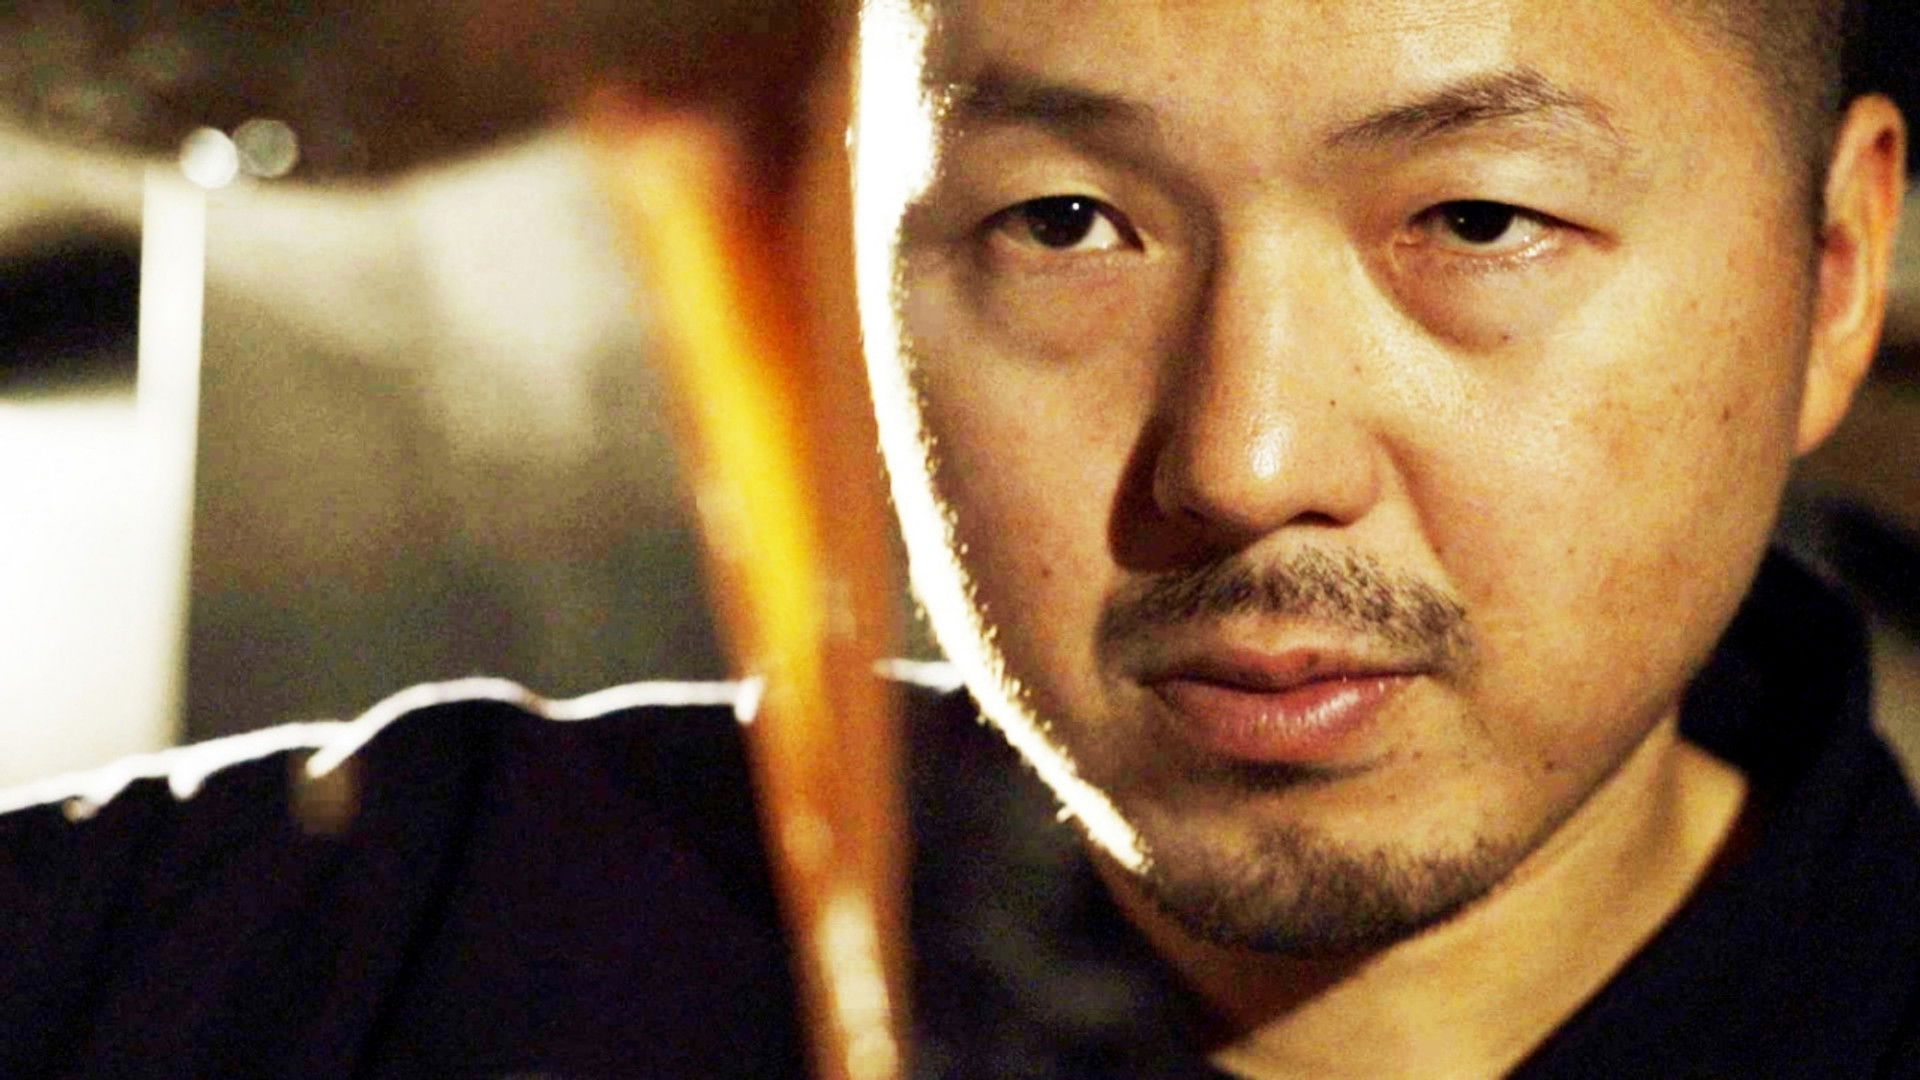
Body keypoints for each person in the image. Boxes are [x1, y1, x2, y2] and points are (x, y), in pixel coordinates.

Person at [2, 1, 1916, 1078]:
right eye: (1065, 222)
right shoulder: (370, 953)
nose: (1245, 459)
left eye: (1479, 222)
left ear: (1832, 275)